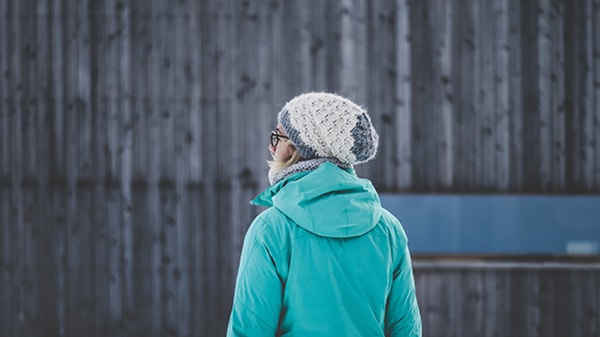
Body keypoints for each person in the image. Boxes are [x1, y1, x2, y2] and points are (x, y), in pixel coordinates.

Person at [227, 92, 422, 337]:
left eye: (276, 137)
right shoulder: (389, 230)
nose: (271, 146)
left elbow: (249, 331)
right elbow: (406, 330)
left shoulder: (270, 230)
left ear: (294, 149)